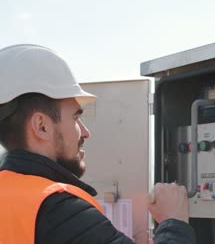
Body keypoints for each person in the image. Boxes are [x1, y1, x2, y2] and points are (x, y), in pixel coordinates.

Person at [0, 44, 196, 243]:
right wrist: (174, 222)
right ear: (41, 126)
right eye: (76, 118)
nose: (86, 132)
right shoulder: (59, 210)